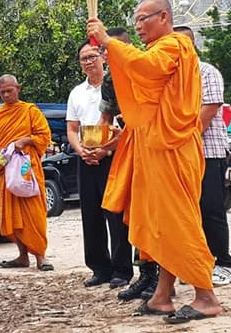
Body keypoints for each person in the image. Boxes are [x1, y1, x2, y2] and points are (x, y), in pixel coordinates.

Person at [89, 0, 223, 323]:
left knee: (177, 220)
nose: (138, 27)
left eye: (143, 19)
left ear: (164, 17)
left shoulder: (176, 45)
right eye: (135, 21)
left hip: (173, 147)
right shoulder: (152, 53)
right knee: (160, 224)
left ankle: (206, 296)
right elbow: (128, 91)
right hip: (149, 146)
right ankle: (162, 296)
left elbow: (145, 69)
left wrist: (109, 41)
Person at [98, 28, 159, 302]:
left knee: (155, 211)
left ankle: (159, 276)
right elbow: (106, 116)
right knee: (134, 211)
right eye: (108, 50)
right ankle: (145, 274)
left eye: (117, 48)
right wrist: (100, 143)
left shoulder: (148, 66)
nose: (112, 54)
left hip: (155, 145)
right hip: (130, 146)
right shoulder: (110, 79)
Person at [67, 42, 132, 289]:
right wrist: (80, 150)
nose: (88, 61)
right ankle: (99, 268)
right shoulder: (76, 93)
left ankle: (121, 269)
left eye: (92, 56)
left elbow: (126, 125)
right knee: (91, 215)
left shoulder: (116, 86)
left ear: (103, 58)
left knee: (115, 214)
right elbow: (72, 128)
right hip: (86, 156)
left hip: (113, 155)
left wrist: (106, 149)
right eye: (83, 58)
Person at [175, 26, 231, 286]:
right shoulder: (171, 76)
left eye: (183, 44)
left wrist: (179, 138)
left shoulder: (207, 72)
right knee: (187, 212)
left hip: (207, 151)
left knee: (211, 209)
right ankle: (196, 264)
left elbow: (208, 111)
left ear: (193, 44)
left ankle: (223, 263)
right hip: (179, 154)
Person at [0, 74, 53, 271]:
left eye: (10, 90)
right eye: (2, 92)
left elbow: (44, 136)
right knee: (12, 217)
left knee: (34, 214)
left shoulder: (30, 110)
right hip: (7, 173)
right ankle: (22, 256)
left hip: (28, 171)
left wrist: (25, 141)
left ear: (18, 88)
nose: (6, 95)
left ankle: (41, 256)